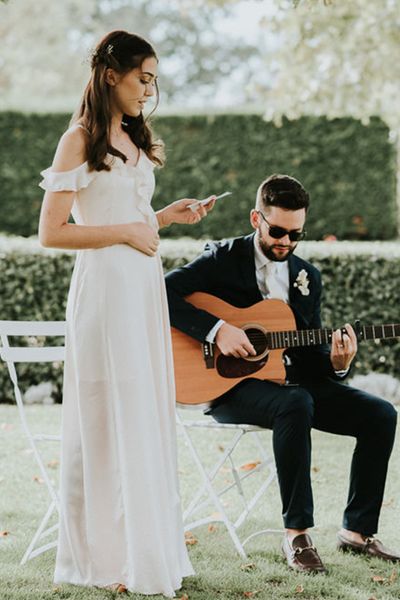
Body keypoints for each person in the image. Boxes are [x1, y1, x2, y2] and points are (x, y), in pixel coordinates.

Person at [38, 30, 214, 596]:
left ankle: (148, 553)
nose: (150, 89)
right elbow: (51, 233)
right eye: (143, 78)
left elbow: (131, 219)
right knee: (107, 415)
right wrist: (131, 230)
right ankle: (105, 558)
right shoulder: (80, 138)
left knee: (142, 412)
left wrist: (164, 217)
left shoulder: (133, 136)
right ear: (111, 75)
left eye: (153, 80)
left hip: (142, 288)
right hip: (106, 293)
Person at [165, 173, 400, 573]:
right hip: (231, 387)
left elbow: (311, 356)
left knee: (381, 415)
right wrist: (218, 330)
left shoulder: (307, 277)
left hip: (294, 385)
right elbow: (160, 292)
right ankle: (297, 536)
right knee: (296, 401)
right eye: (278, 231)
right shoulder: (222, 258)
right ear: (257, 219)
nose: (286, 243)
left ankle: (357, 532)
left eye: (296, 234)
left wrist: (338, 363)